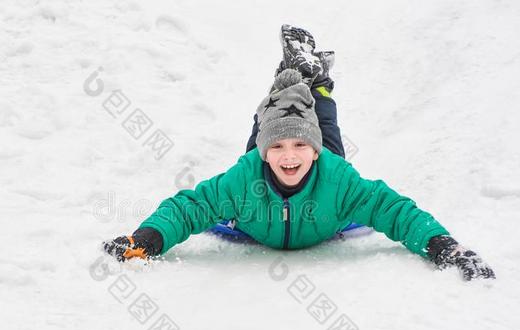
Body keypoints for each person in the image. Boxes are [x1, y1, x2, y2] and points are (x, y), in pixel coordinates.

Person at [103, 25, 495, 281]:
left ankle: (318, 85)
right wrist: (148, 238)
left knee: (325, 128)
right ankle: (289, 78)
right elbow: (189, 207)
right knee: (269, 122)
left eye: (299, 148)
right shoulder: (245, 177)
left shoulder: (338, 179)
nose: (288, 156)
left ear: (313, 152)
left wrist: (444, 245)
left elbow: (396, 210)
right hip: (262, 170)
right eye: (277, 149)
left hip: (325, 166)